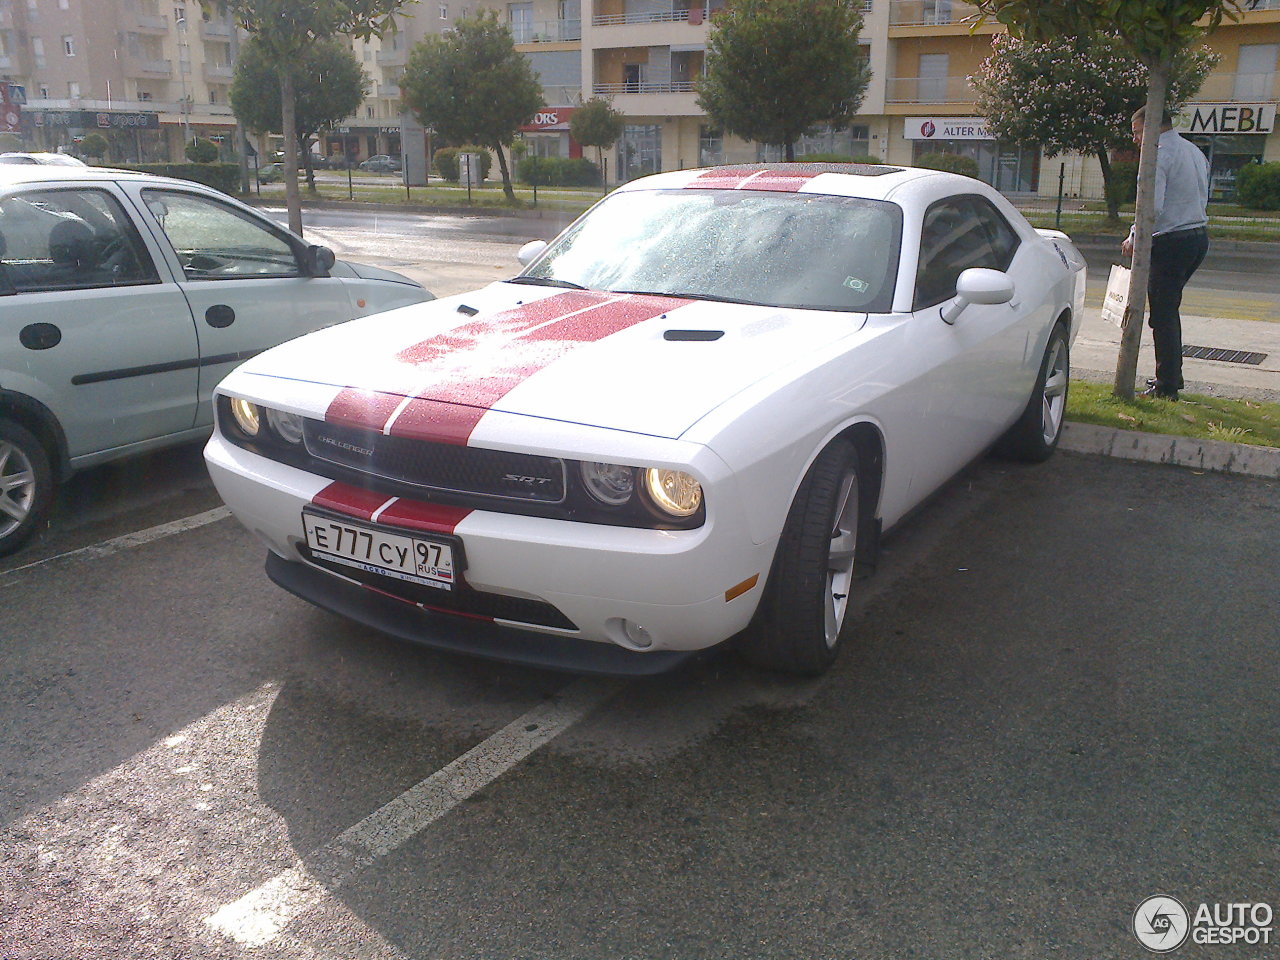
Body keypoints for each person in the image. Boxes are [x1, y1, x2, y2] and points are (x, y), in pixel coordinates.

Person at [1121, 107, 1210, 401]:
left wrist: (1135, 234)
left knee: (1162, 314)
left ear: (1152, 127)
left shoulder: (1157, 155)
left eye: (1136, 132)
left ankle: (1167, 384)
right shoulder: (1192, 150)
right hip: (1196, 236)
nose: (1134, 139)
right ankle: (1168, 375)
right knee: (1168, 310)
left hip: (1171, 241)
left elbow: (1152, 206)